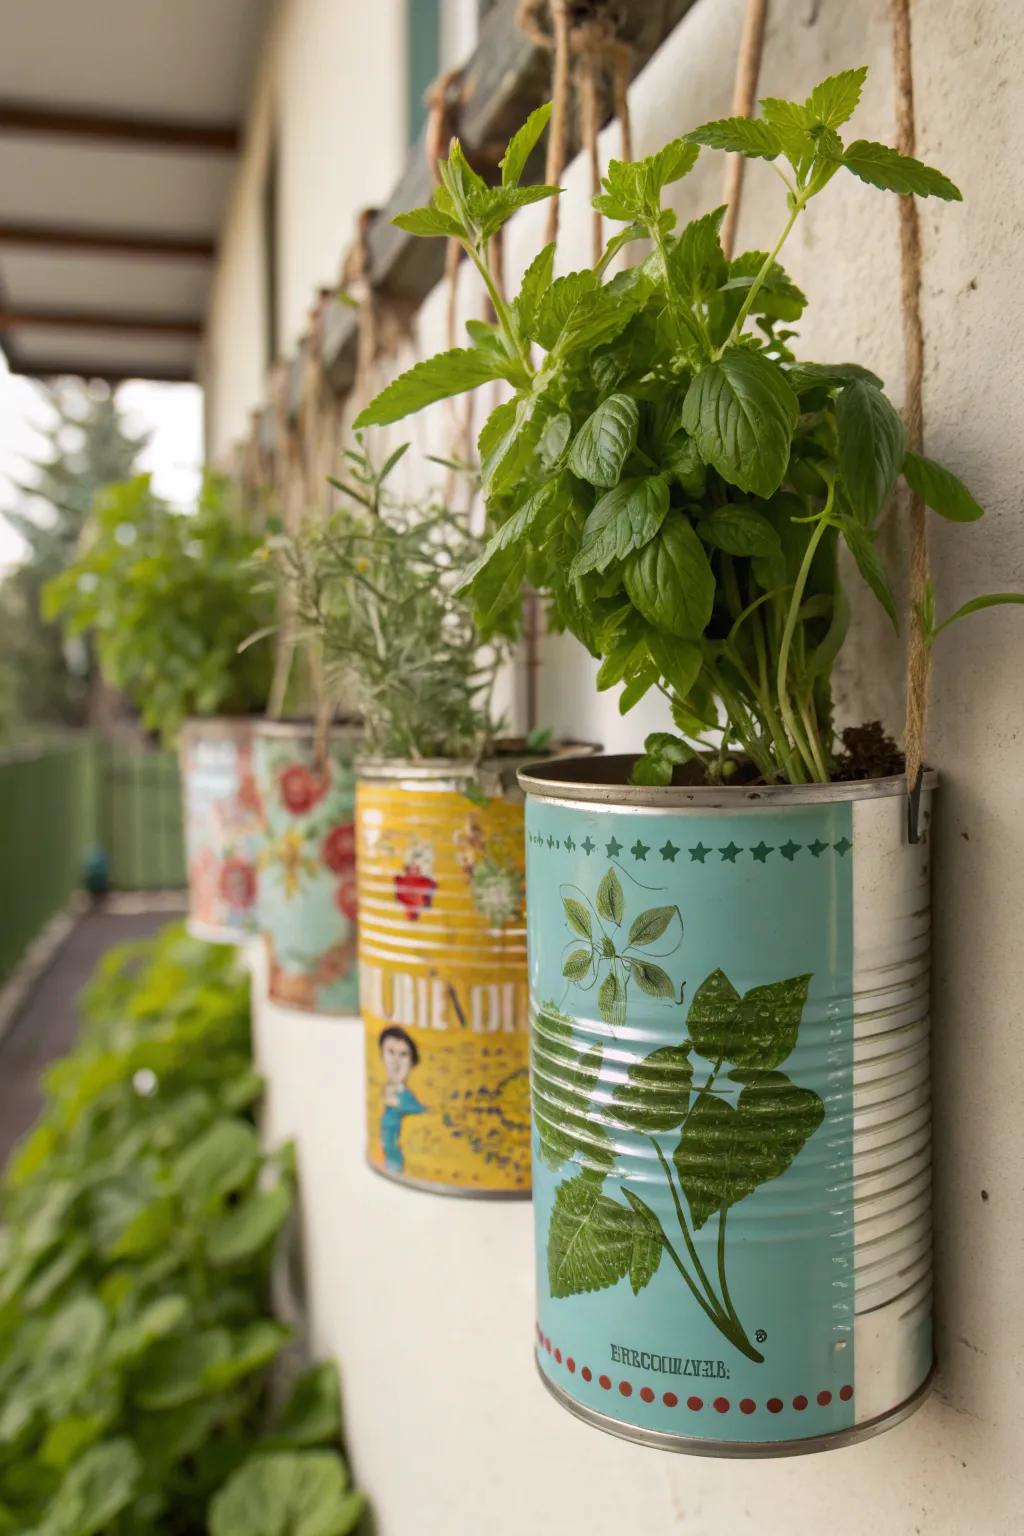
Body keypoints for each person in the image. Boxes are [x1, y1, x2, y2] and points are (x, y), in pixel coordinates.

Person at [379, 1026, 425, 1174]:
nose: (396, 1061)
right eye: (391, 1052)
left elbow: (422, 1113)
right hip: (385, 1161)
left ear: (412, 1061)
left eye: (403, 1054)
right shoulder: (385, 1091)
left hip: (400, 1164)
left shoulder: (405, 1099)